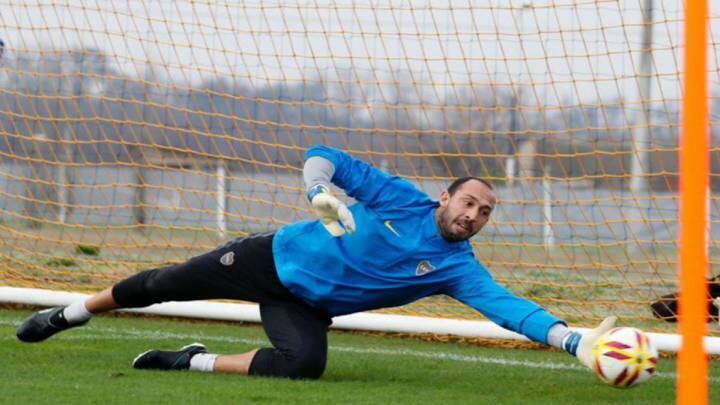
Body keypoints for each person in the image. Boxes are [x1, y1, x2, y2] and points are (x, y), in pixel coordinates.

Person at [17, 145, 616, 379]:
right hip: (266, 259)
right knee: (161, 284)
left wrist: (574, 341)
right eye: (468, 201)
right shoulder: (397, 196)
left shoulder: (459, 269)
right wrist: (318, 193)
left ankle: (193, 361)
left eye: (486, 211)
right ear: (446, 197)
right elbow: (324, 157)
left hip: (304, 305)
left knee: (302, 365)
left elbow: (511, 310)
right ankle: (72, 312)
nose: (474, 214)